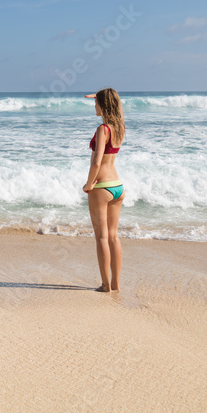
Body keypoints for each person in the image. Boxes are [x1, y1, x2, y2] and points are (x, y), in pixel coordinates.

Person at [82, 88, 125, 292]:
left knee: (101, 237)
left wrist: (89, 184)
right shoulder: (119, 128)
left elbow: (97, 162)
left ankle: (105, 285)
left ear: (104, 105)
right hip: (117, 186)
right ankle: (116, 283)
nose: (94, 106)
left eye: (97, 103)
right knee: (114, 236)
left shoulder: (102, 129)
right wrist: (96, 95)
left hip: (101, 187)